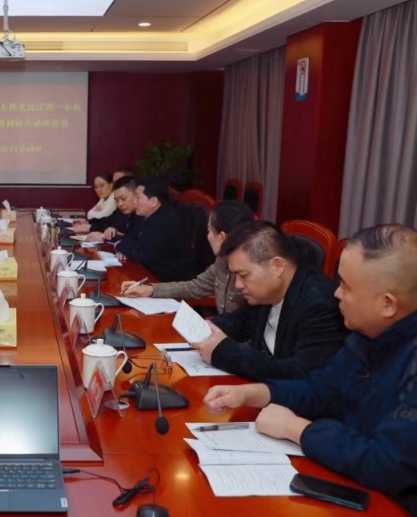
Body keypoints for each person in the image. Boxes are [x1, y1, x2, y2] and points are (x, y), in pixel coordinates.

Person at [203, 224, 417, 514]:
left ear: (388, 304)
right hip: (350, 480)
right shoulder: (367, 335)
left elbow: (386, 464)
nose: (336, 293)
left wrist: (297, 429)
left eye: (346, 287)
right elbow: (322, 389)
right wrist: (255, 393)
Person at [193, 220, 346, 381]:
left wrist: (223, 354)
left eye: (243, 275)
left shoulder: (321, 305)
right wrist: (205, 328)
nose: (238, 285)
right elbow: (241, 322)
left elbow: (300, 374)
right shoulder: (265, 293)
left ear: (277, 266)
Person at [121, 200, 254, 314]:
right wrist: (150, 289)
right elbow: (195, 287)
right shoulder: (221, 260)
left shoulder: (252, 272)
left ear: (221, 237)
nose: (207, 236)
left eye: (209, 231)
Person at [114, 177, 198, 282]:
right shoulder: (146, 217)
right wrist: (124, 248)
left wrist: (120, 246)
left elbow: (143, 255)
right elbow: (130, 238)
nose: (134, 202)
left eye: (138, 198)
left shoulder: (165, 221)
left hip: (171, 282)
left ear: (153, 201)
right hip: (152, 274)